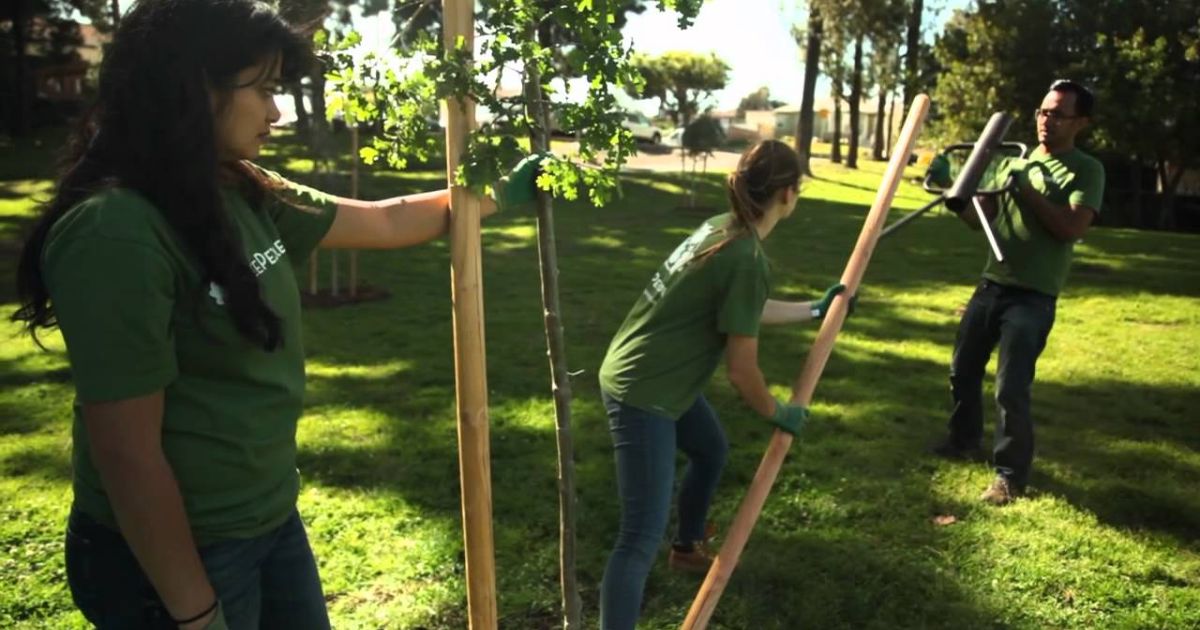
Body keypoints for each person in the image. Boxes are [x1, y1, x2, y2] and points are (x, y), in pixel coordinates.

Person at [10, 1, 540, 628]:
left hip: (267, 520)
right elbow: (127, 454)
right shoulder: (115, 234)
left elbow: (388, 219)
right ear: (190, 87)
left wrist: (498, 194)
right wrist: (195, 611)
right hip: (175, 557)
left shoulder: (238, 186)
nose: (276, 112)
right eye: (261, 91)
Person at [595, 139, 850, 630]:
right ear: (789, 194)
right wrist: (777, 411)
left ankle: (687, 547)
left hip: (651, 374)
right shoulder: (744, 257)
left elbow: (740, 313)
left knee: (710, 449)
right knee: (636, 540)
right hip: (645, 392)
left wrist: (814, 311)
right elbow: (741, 370)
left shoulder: (723, 229)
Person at [930, 79, 1106, 505]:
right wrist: (951, 191)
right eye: (1043, 112)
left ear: (1080, 122)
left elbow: (1070, 228)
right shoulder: (1015, 162)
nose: (1047, 121)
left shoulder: (1086, 169)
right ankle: (963, 440)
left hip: (1033, 296)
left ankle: (1009, 475)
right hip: (991, 285)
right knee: (962, 370)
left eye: (1058, 114)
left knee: (1010, 387)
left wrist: (1026, 192)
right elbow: (979, 221)